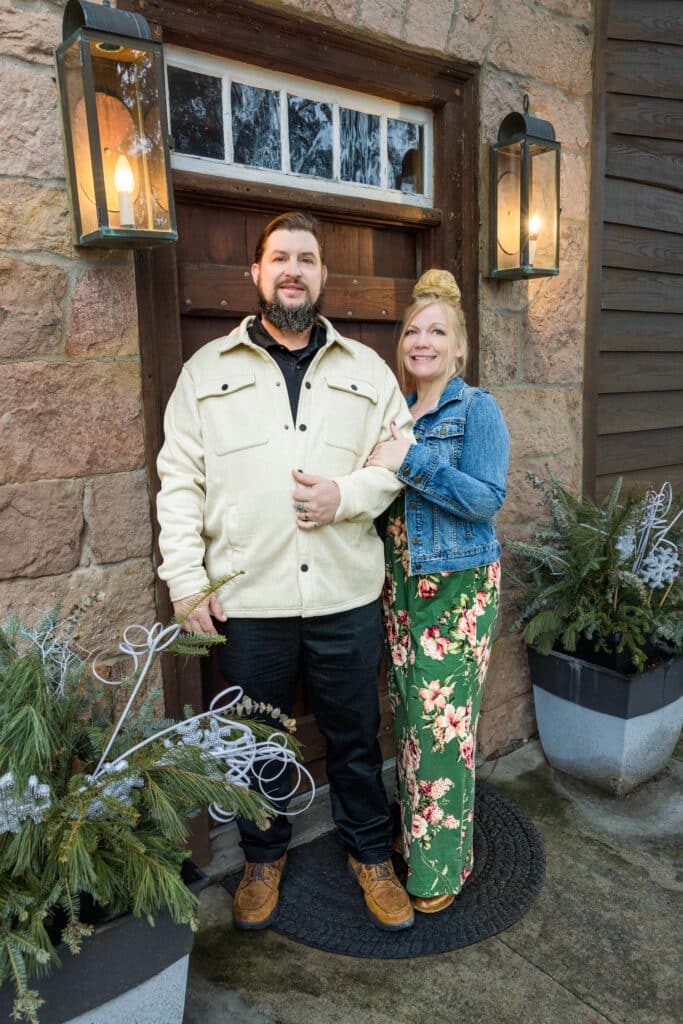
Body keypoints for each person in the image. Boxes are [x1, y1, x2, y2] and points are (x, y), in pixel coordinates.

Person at [156, 211, 416, 932]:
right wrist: (185, 580)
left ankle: (370, 854)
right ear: (257, 275)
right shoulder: (204, 372)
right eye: (279, 258)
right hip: (250, 599)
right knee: (258, 738)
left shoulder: (367, 372)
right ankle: (263, 856)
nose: (293, 270)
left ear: (323, 276)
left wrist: (345, 496)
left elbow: (396, 463)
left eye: (306, 258)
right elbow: (179, 480)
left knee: (356, 737)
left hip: (344, 593)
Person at [366, 269, 509, 913]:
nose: (422, 341)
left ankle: (437, 875)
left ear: (459, 347)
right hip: (402, 590)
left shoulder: (476, 409)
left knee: (445, 729)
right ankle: (427, 842)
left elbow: (486, 499)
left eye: (437, 331)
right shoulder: (395, 410)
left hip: (457, 590)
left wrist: (410, 460)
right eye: (413, 331)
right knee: (413, 725)